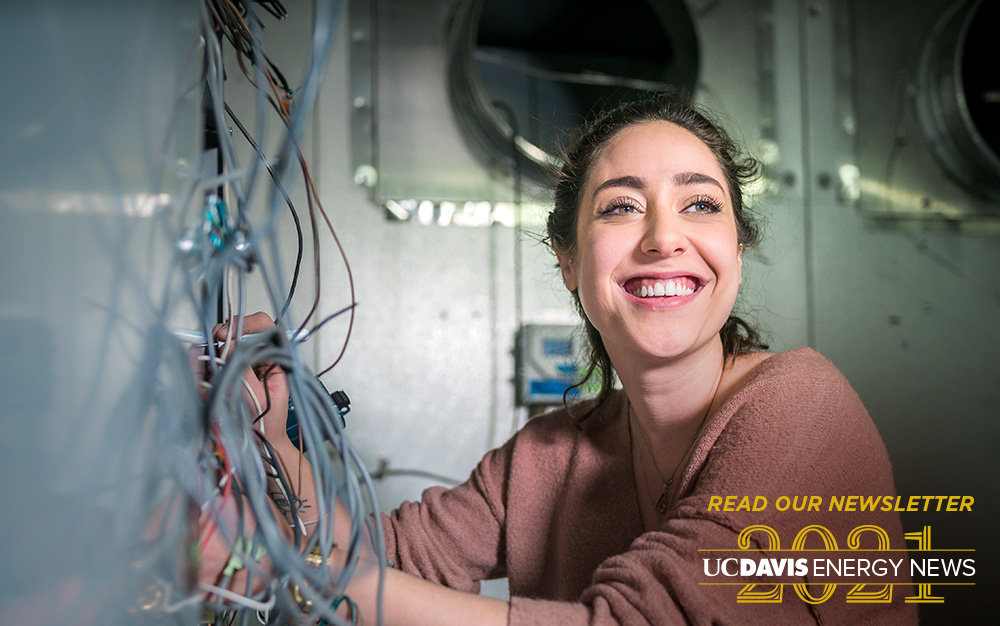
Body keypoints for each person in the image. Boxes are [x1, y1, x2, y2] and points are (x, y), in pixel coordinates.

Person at [200, 96, 918, 625]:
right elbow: (385, 557)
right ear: (568, 261)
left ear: (736, 249)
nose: (666, 237)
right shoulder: (549, 455)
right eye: (621, 208)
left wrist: (297, 572)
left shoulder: (804, 409)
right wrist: (270, 424)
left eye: (701, 205)